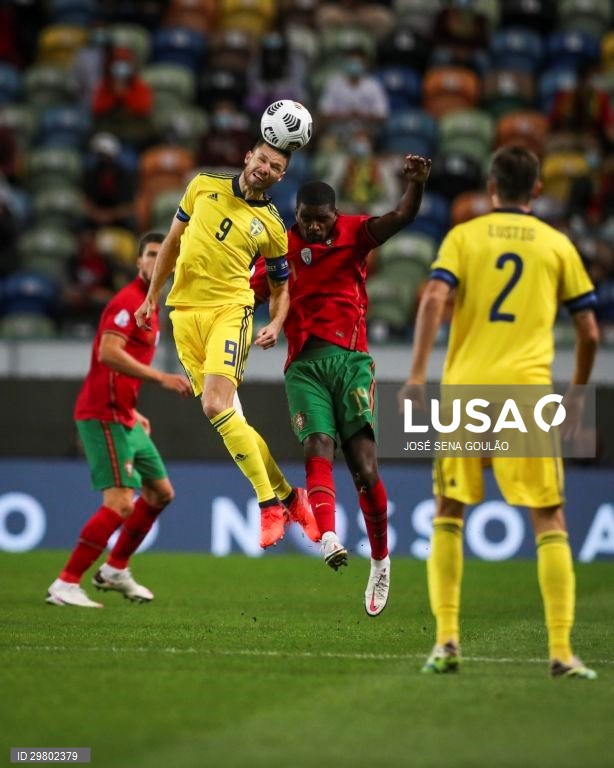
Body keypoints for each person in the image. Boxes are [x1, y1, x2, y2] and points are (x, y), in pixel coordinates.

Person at [399, 146, 600, 678]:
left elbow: (434, 300)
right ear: (537, 190)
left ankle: (445, 643)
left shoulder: (464, 237)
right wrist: (577, 395)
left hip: (466, 389)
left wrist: (416, 376)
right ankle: (560, 652)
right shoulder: (558, 245)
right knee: (549, 518)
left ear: (490, 187)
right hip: (527, 394)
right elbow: (589, 329)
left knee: (448, 511)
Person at [251, 155, 431, 616]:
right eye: (306, 221)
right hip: (304, 365)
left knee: (365, 469)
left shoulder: (355, 233)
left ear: (335, 216)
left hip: (352, 362)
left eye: (321, 221)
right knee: (317, 443)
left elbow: (403, 216)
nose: (313, 229)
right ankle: (328, 534)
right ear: (297, 217)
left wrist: (414, 185)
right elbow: (244, 291)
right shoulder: (280, 248)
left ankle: (381, 560)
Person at [134, 139, 319, 550]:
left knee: (215, 405)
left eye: (275, 166)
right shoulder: (202, 185)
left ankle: (270, 504)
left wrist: (277, 320)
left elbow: (280, 286)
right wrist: (152, 296)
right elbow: (172, 242)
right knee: (228, 420)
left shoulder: (272, 224)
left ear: (280, 176)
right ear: (247, 157)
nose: (265, 168)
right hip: (184, 314)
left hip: (229, 312)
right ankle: (292, 498)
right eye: (262, 159)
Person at [46, 233, 193, 608]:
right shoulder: (128, 302)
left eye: (167, 255)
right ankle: (66, 583)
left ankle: (114, 569)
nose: (159, 260)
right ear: (139, 262)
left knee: (161, 493)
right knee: (120, 504)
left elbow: (124, 367)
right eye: (152, 255)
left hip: (125, 414)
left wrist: (135, 408)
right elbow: (108, 353)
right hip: (103, 414)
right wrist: (160, 377)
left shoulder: (153, 306)